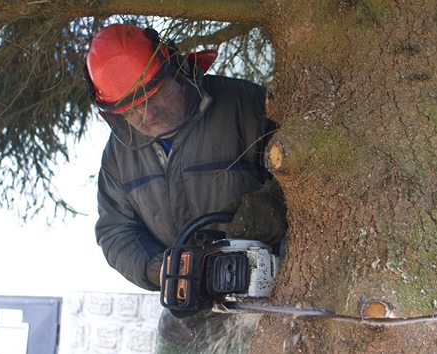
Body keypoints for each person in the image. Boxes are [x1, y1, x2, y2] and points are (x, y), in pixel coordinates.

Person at [84, 23, 287, 352]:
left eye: (154, 94)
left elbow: (304, 181)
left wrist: (267, 211)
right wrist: (160, 269)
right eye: (131, 109)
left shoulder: (246, 107)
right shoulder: (119, 158)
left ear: (174, 68)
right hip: (186, 320)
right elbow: (115, 231)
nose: (147, 113)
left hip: (270, 301)